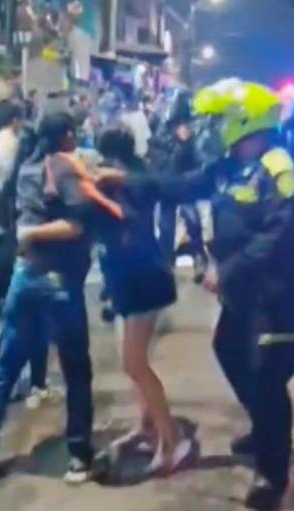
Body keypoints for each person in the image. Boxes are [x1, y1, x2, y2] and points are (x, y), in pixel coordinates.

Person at [96, 81, 294, 510]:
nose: (212, 129)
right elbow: (180, 186)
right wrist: (127, 179)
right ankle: (264, 425)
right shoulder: (228, 165)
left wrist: (225, 271)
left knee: (269, 379)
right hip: (242, 291)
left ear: (245, 121)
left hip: (274, 294)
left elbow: (276, 236)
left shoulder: (277, 168)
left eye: (220, 120)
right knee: (228, 349)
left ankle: (273, 472)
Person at [0, 112, 123, 486]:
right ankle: (79, 458)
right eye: (73, 133)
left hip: (25, 279)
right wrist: (33, 234)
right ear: (65, 135)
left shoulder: (28, 166)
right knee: (76, 371)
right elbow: (74, 226)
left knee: (6, 368)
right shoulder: (62, 168)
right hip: (58, 283)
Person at [95, 124, 193, 475]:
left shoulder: (129, 182)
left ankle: (171, 440)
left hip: (142, 279)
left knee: (135, 362)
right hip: (128, 280)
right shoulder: (130, 177)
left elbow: (129, 219)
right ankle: (147, 425)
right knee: (132, 362)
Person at [150, 88, 207, 282]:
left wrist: (187, 142)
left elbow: (196, 157)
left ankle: (198, 257)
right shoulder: (163, 128)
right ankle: (166, 262)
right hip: (170, 181)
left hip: (183, 181)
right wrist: (182, 142)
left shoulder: (191, 127)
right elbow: (161, 155)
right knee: (168, 224)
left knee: (191, 220)